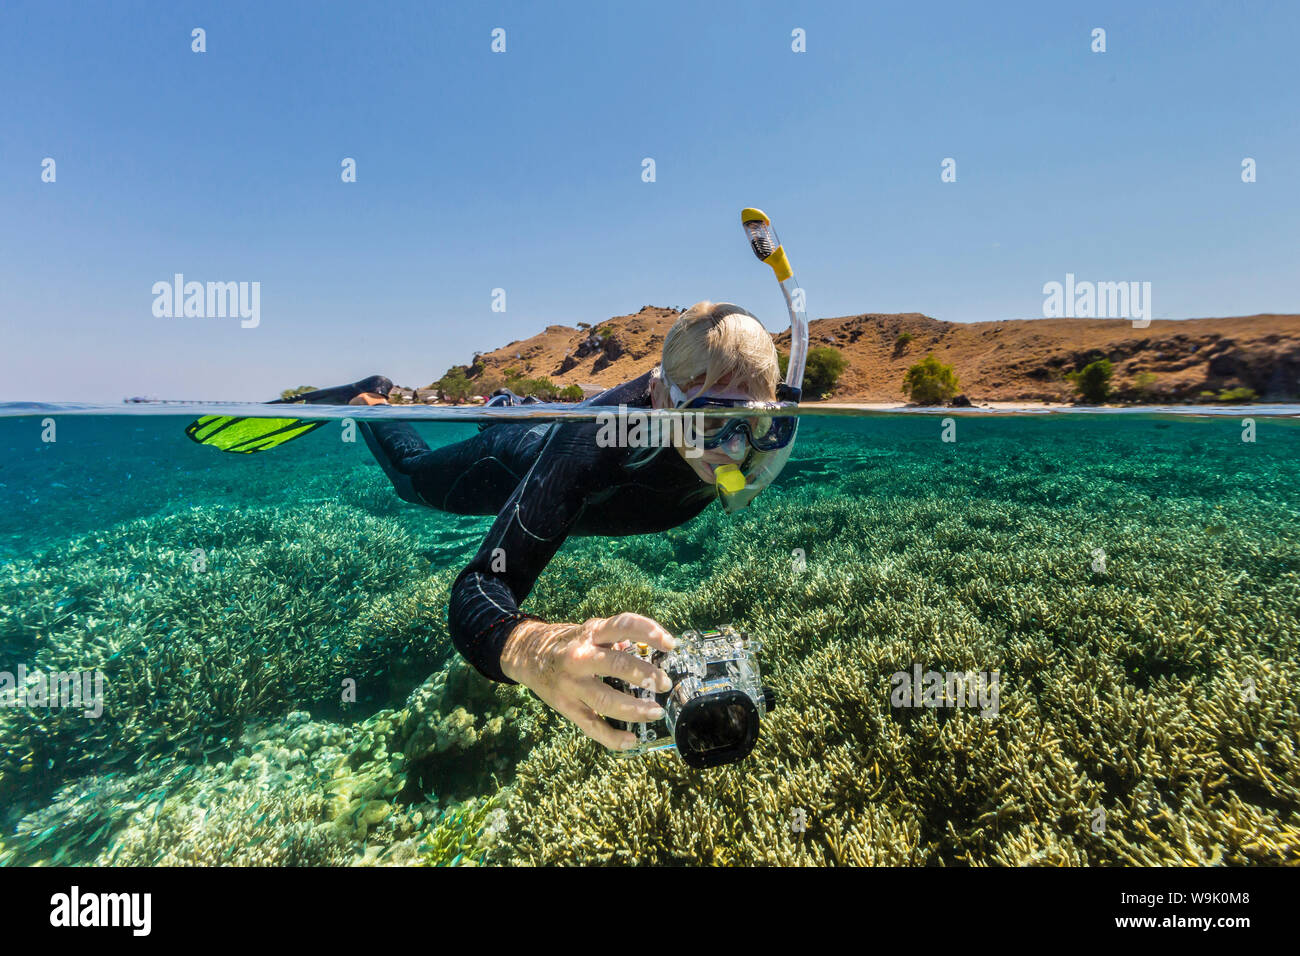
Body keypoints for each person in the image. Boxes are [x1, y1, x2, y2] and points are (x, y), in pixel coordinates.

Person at [285, 301, 799, 750]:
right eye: (710, 421)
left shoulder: (766, 439)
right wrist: (536, 650)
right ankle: (371, 400)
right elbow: (480, 587)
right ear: (663, 399)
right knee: (411, 481)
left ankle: (510, 405)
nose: (733, 448)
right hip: (516, 457)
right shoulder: (600, 439)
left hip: (563, 432)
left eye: (753, 423)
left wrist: (747, 425)